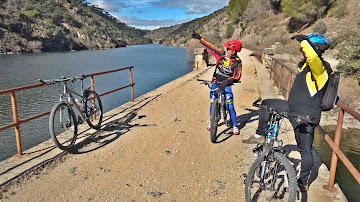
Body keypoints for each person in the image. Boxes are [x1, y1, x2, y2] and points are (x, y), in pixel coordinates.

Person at [243, 33, 332, 190]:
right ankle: (260, 134)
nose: (300, 51)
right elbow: (308, 61)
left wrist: (304, 41)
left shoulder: (320, 69)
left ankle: (302, 183)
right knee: (267, 104)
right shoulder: (307, 68)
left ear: (314, 50)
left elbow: (312, 58)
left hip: (305, 116)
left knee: (305, 151)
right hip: (292, 109)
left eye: (302, 50)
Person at [192, 31, 242, 135]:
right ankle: (212, 121)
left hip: (227, 86)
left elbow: (237, 76)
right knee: (212, 103)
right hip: (215, 82)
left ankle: (234, 125)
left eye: (227, 49)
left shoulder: (237, 62)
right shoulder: (221, 55)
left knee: (230, 106)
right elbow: (210, 47)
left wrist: (228, 81)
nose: (225, 50)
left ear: (233, 51)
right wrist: (200, 38)